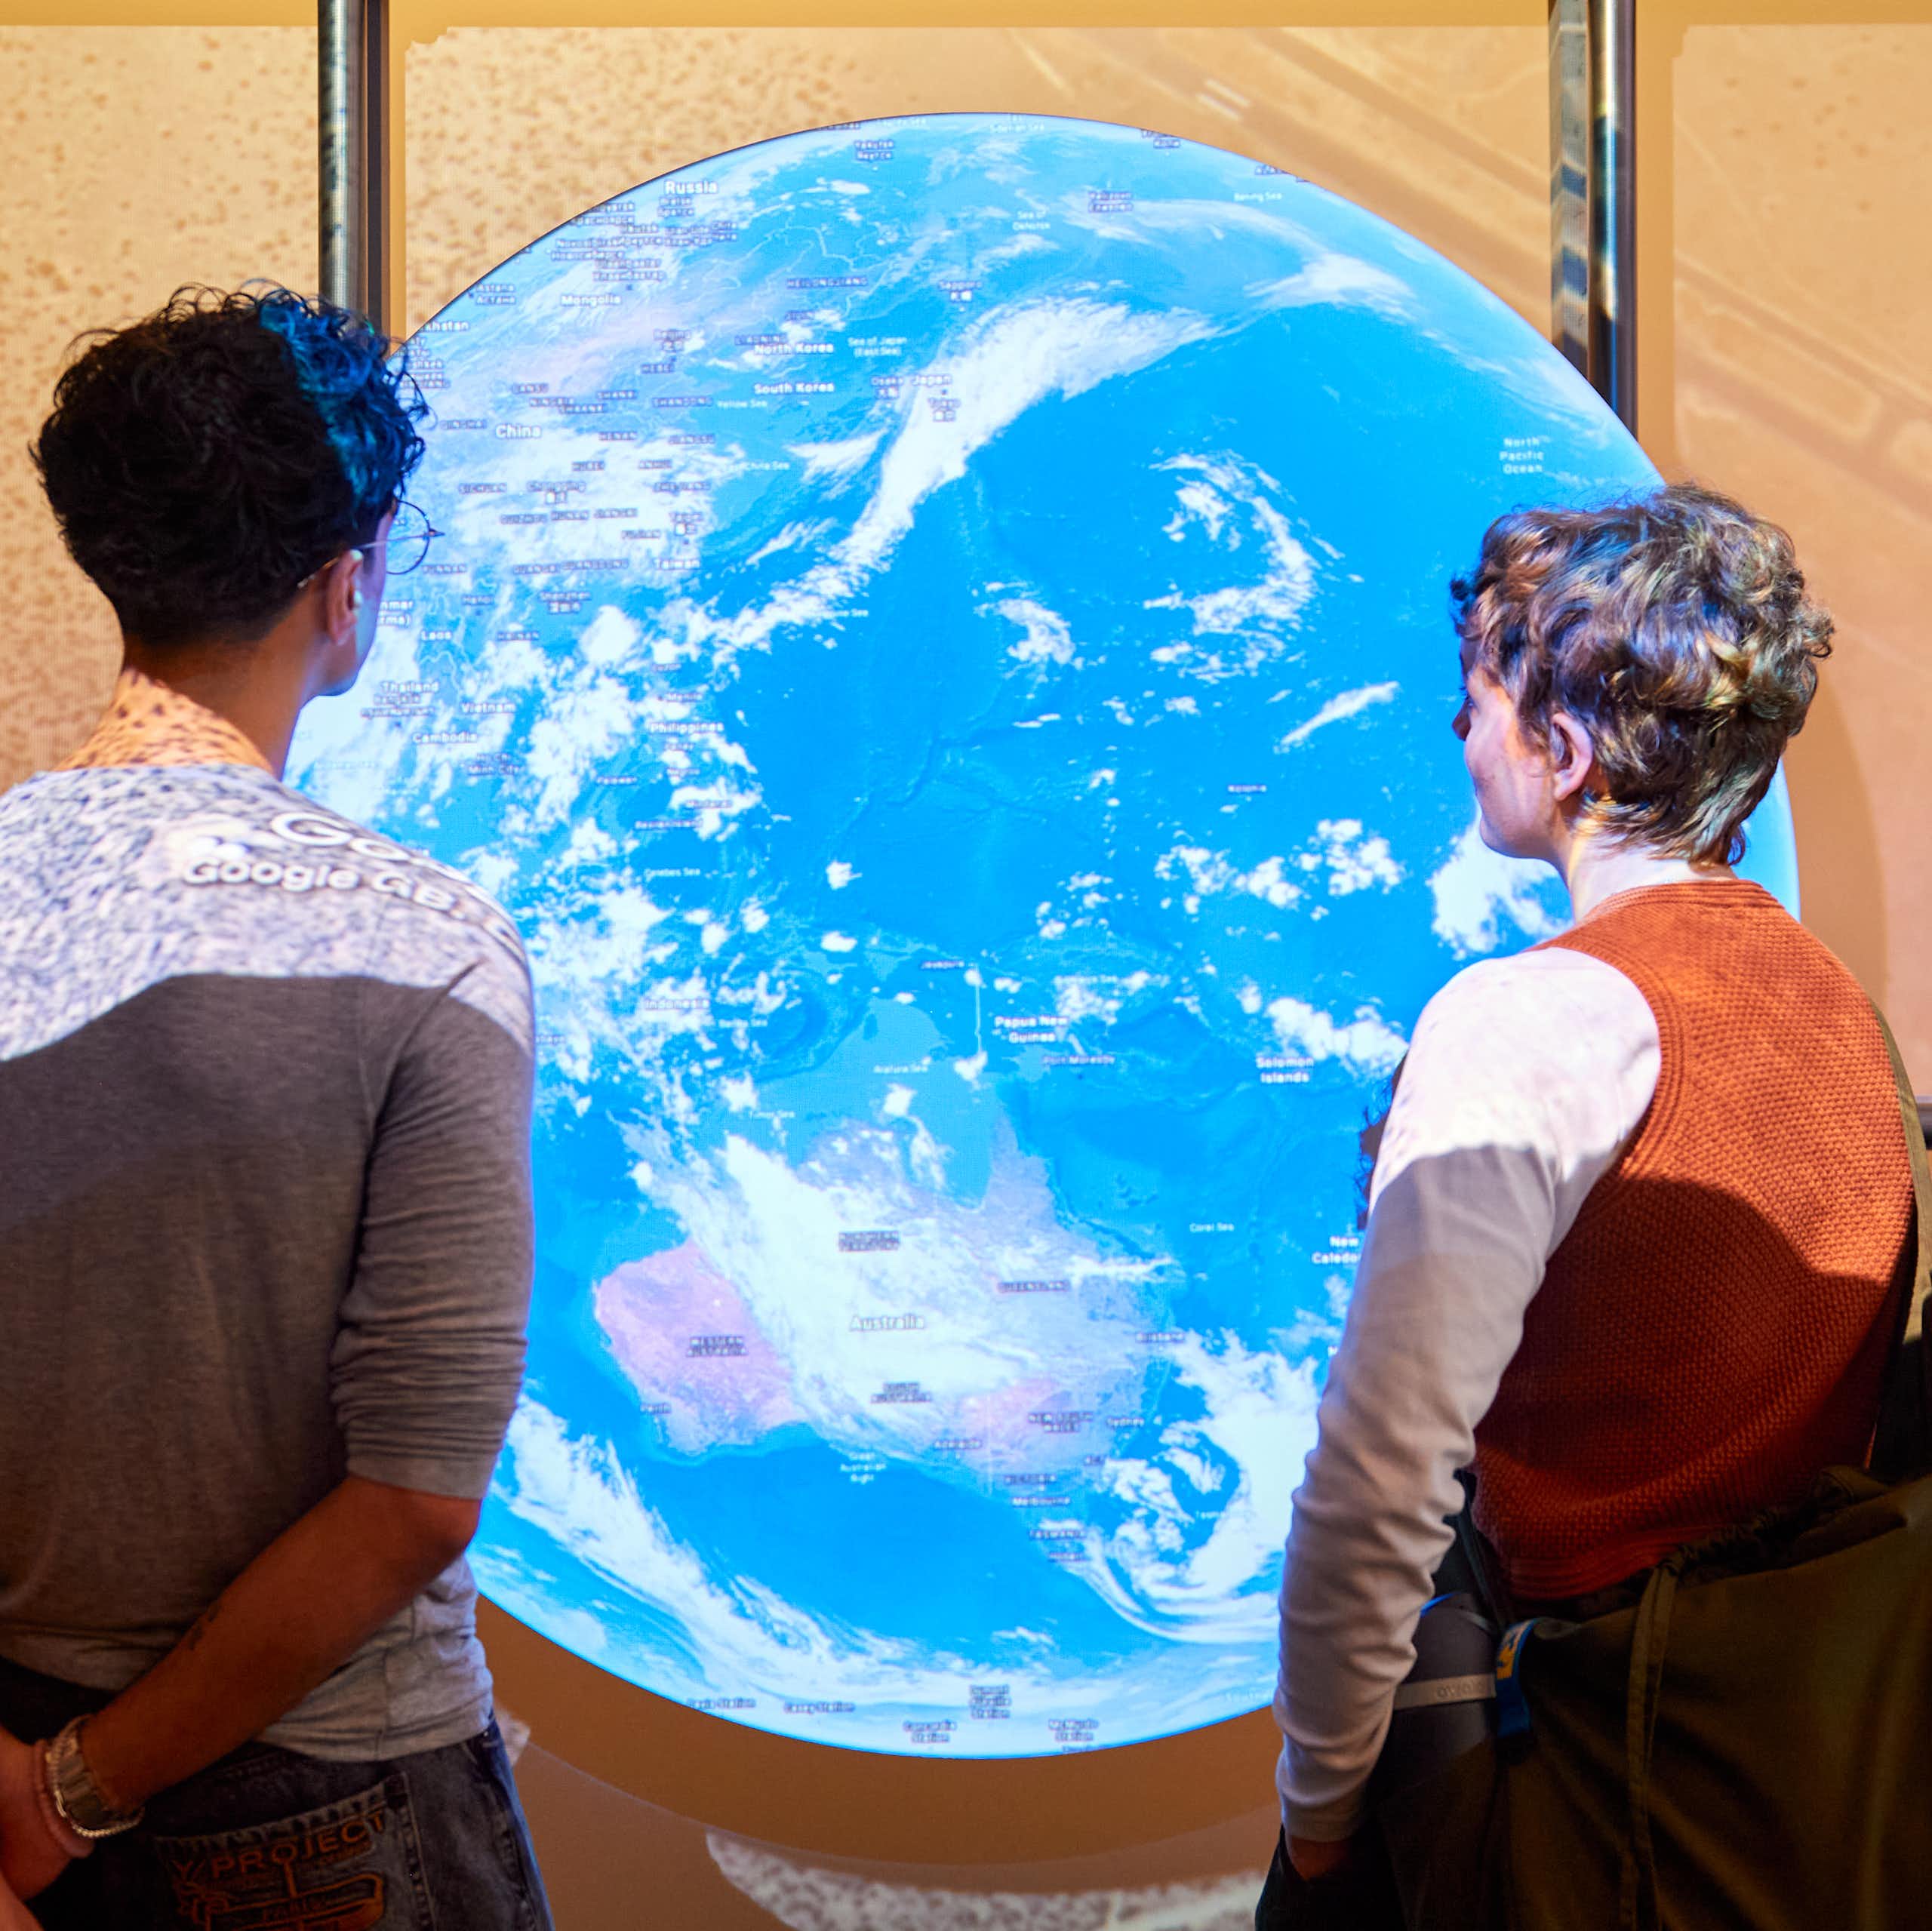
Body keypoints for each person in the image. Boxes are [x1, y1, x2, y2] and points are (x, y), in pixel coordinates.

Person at [1263, 483, 1910, 1918]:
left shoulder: (1532, 1023)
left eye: (1482, 696)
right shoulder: (1841, 1016)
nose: (1460, 731)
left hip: (1570, 1781)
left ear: (1565, 749)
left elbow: (1377, 1488)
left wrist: (1325, 1826)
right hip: (1782, 1789)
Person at [0, 286, 552, 1929]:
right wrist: (78, 1790)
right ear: (346, 587)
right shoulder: (428, 946)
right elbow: (409, 1502)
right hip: (330, 1809)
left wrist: (28, 1782)